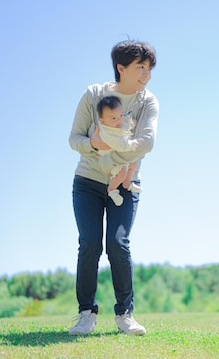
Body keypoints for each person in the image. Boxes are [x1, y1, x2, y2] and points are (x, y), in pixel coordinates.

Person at [68, 40, 158, 336]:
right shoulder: (94, 95)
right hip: (88, 183)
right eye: (140, 68)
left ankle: (125, 315)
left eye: (149, 68)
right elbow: (75, 139)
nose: (146, 74)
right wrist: (95, 144)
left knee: (118, 244)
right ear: (121, 68)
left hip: (127, 184)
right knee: (90, 243)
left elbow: (146, 144)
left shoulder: (148, 102)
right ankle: (86, 314)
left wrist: (111, 155)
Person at [96, 95, 143, 206]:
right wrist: (131, 145)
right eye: (113, 118)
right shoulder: (108, 133)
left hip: (121, 155)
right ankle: (112, 190)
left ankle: (127, 184)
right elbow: (119, 145)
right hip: (110, 158)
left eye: (121, 115)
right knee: (122, 173)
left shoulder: (118, 122)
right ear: (102, 121)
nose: (119, 121)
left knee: (134, 165)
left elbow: (125, 122)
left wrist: (131, 122)